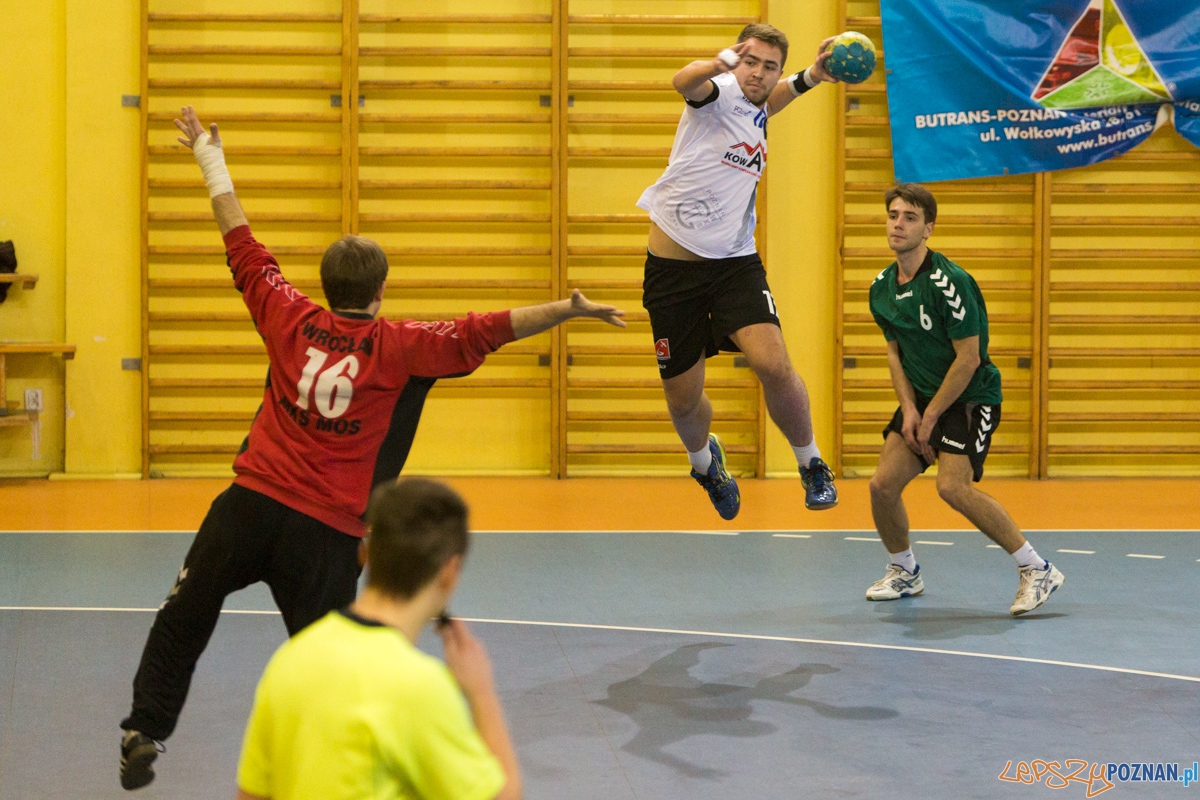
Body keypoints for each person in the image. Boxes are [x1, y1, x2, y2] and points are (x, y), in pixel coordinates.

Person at [119, 106, 625, 790]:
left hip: (248, 507)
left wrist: (211, 158)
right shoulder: (402, 345)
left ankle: (143, 727)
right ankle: (350, 765)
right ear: (380, 292)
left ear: (327, 287)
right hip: (325, 533)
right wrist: (567, 310)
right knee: (337, 663)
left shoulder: (286, 313)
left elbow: (241, 243)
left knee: (184, 614)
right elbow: (489, 329)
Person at [637, 23, 840, 520]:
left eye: (770, 66)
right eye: (753, 62)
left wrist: (812, 75)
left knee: (773, 365)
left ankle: (811, 463)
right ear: (739, 58)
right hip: (673, 272)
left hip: (734, 264)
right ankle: (705, 464)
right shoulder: (718, 91)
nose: (760, 74)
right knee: (684, 403)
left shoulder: (757, 101)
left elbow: (771, 102)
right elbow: (683, 82)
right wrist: (722, 61)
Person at [234, 478, 520, 800]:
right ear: (449, 571)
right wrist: (481, 693)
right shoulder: (421, 689)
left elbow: (251, 795)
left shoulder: (289, 661)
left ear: (367, 553)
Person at [864, 183, 1064, 615]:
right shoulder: (880, 287)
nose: (898, 224)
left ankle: (1036, 568)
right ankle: (905, 571)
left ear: (928, 229)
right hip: (923, 399)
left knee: (953, 487)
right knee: (882, 486)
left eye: (910, 218)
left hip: (970, 396)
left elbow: (969, 358)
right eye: (893, 215)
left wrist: (932, 415)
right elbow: (894, 352)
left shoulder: (949, 282)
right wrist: (911, 411)